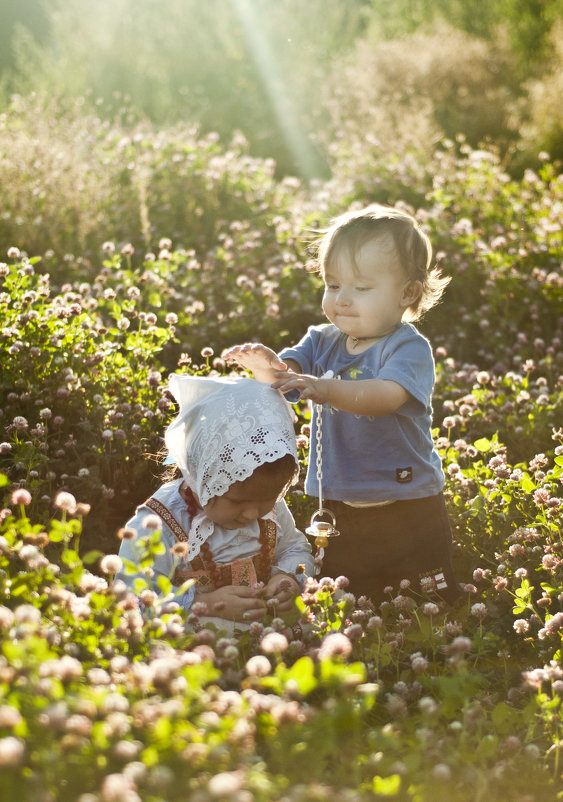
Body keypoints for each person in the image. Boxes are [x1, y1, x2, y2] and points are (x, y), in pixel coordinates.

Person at [224, 203, 459, 603]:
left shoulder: (407, 347)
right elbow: (289, 374)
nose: (342, 300)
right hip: (337, 498)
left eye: (362, 288)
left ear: (408, 293)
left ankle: (431, 638)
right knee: (350, 588)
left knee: (425, 593)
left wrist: (326, 389)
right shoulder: (322, 339)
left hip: (407, 499)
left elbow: (385, 396)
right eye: (333, 285)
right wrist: (269, 368)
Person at [117, 374, 314, 629]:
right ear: (202, 475)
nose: (253, 512)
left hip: (267, 629)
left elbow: (294, 547)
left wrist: (288, 578)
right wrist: (204, 603)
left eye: (268, 498)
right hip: (198, 640)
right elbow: (132, 597)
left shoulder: (269, 506)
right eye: (237, 501)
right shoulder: (158, 522)